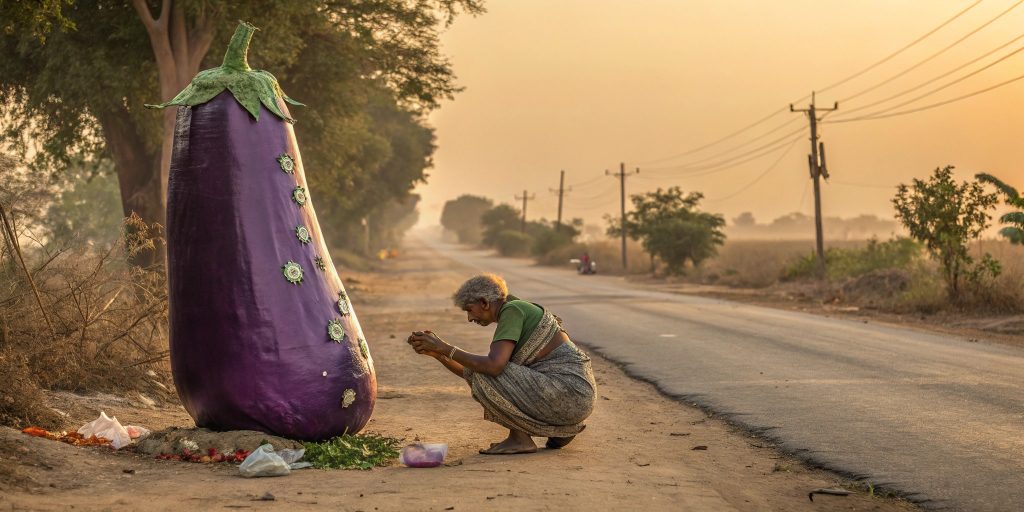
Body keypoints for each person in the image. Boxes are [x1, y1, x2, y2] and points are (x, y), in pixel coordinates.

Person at [407, 273, 597, 455]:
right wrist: (439, 354)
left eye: (469, 310)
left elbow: (492, 368)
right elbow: (474, 371)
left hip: (569, 393)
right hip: (577, 396)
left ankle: (520, 439)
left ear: (484, 303)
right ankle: (560, 429)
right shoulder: (518, 307)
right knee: (482, 371)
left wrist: (446, 348)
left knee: (487, 372)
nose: (470, 318)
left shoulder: (512, 310)